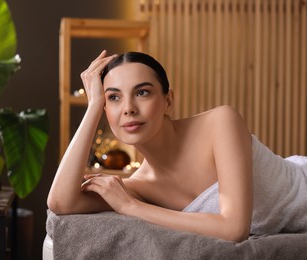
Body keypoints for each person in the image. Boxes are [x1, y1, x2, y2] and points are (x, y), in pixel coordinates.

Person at [47, 50, 307, 242]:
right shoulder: (140, 186)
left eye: (142, 92)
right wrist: (93, 106)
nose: (128, 109)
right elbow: (61, 202)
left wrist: (130, 207)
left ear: (168, 101)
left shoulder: (220, 123)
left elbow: (234, 229)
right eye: (113, 98)